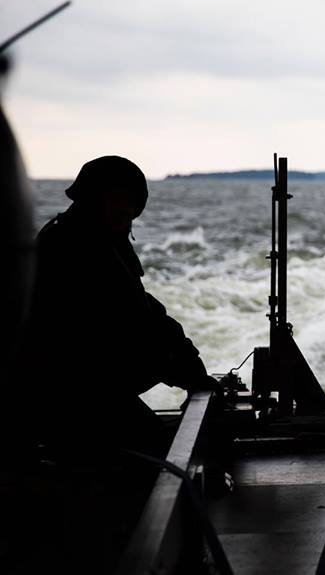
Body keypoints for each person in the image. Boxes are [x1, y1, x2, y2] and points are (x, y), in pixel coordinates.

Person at [16, 155, 220, 458]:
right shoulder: (72, 247)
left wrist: (190, 366)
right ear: (91, 198)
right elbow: (129, 326)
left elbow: (145, 310)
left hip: (91, 386)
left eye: (131, 204)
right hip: (67, 395)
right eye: (116, 200)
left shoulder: (100, 238)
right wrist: (189, 374)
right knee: (156, 453)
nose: (125, 210)